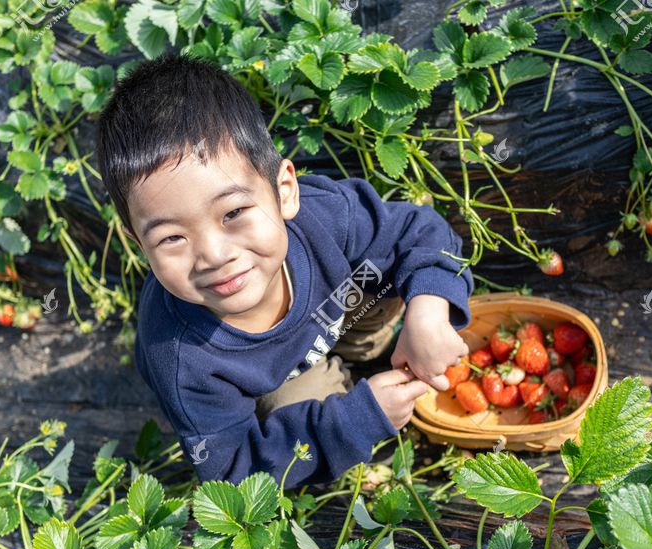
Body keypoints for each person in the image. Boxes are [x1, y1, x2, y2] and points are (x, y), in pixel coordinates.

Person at [95, 52, 474, 488]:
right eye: (171, 238)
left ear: (285, 191)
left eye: (233, 212)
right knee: (291, 416)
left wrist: (428, 313)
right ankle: (329, 393)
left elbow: (419, 230)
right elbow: (234, 472)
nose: (214, 255)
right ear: (138, 243)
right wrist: (356, 421)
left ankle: (366, 348)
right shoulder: (183, 359)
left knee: (384, 268)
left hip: (337, 313)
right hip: (276, 380)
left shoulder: (322, 216)